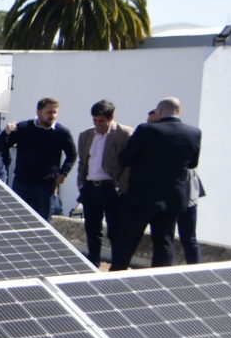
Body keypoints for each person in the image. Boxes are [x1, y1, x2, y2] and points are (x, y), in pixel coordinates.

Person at [109, 96, 202, 270]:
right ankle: (161, 277)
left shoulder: (146, 130)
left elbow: (125, 159)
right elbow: (192, 163)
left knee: (128, 239)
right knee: (164, 241)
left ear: (159, 111)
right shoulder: (194, 132)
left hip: (141, 197)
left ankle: (116, 274)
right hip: (172, 198)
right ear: (179, 112)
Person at [76, 100, 133, 265]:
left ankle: (117, 265)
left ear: (111, 118)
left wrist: (121, 187)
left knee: (115, 229)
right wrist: (81, 184)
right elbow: (83, 161)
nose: (97, 124)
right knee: (92, 228)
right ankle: (93, 262)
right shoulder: (86, 135)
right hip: (90, 187)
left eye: (101, 121)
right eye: (95, 120)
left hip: (112, 188)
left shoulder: (124, 134)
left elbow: (130, 165)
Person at [3, 97, 76, 220]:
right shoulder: (24, 128)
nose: (52, 116)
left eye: (55, 112)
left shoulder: (62, 132)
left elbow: (72, 154)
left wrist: (63, 173)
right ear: (38, 112)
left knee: (42, 221)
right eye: (49, 112)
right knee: (17, 219)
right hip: (22, 183)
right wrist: (6, 133)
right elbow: (3, 146)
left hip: (45, 186)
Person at [177, 169, 205, 265]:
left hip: (187, 193)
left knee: (189, 239)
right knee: (189, 239)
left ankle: (196, 269)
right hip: (186, 193)